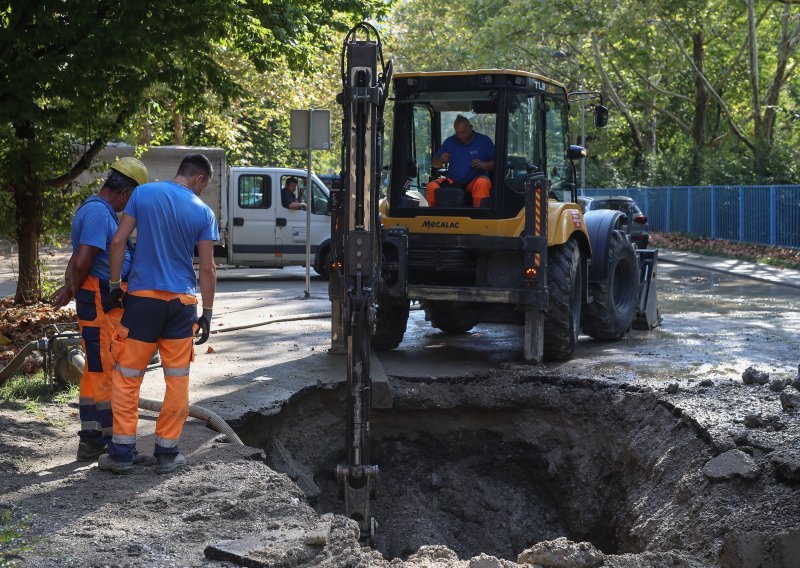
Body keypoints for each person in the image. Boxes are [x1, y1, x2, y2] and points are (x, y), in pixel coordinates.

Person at [100, 153, 218, 475]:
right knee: (177, 380)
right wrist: (207, 312)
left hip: (142, 302)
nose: (201, 192)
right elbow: (207, 267)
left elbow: (118, 241)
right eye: (203, 186)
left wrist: (113, 285)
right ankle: (168, 453)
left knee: (127, 377)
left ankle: (121, 454)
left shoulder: (143, 194)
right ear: (198, 179)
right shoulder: (203, 212)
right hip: (181, 305)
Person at [51, 157, 149, 462]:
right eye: (135, 199)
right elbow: (82, 259)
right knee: (108, 371)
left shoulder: (99, 211)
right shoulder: (97, 212)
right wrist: (72, 288)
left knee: (96, 371)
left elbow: (80, 259)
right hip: (99, 305)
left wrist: (71, 286)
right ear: (126, 192)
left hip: (97, 303)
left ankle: (94, 439)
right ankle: (113, 442)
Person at [426, 115, 495, 208]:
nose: (461, 136)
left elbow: (497, 164)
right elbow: (434, 164)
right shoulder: (450, 142)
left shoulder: (484, 141)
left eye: (463, 132)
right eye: (458, 133)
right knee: (431, 187)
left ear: (471, 128)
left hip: (475, 180)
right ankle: (434, 218)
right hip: (453, 181)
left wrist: (483, 165)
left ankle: (479, 217)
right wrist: (441, 159)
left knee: (482, 184)